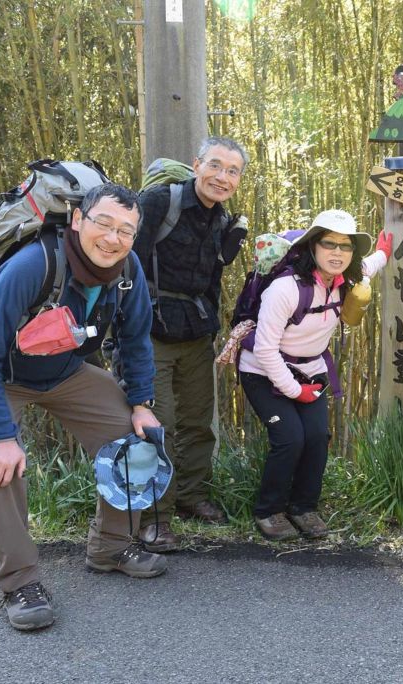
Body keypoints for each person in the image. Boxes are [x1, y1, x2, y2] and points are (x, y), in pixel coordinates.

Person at [0, 183, 166, 631]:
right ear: (77, 220)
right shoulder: (35, 264)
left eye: (125, 231)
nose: (113, 238)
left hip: (63, 373)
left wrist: (142, 404)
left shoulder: (128, 269)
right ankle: (19, 582)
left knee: (134, 438)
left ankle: (111, 546)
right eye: (103, 224)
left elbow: (135, 338)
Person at [238, 210, 391, 541]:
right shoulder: (285, 288)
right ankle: (269, 510)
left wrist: (384, 252)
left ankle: (303, 507)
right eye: (329, 243)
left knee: (318, 437)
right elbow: (264, 351)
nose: (337, 252)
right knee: (290, 437)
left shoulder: (345, 279)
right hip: (263, 371)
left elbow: (371, 265)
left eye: (346, 246)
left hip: (310, 370)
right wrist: (296, 392)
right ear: (312, 246)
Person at [132, 136, 248, 551]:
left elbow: (212, 281)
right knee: (155, 427)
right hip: (151, 335)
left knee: (199, 421)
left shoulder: (221, 220)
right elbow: (129, 265)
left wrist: (217, 329)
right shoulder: (159, 203)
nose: (222, 177)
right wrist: (125, 337)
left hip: (197, 334)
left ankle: (192, 496)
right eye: (215, 166)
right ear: (197, 164)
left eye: (232, 171)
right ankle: (153, 516)